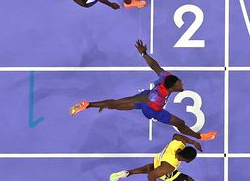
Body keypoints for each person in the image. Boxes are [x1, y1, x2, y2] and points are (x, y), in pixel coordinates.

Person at [69, 40, 217, 141]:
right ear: (172, 87)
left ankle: (88, 104)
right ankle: (200, 137)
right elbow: (132, 100)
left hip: (145, 96)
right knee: (180, 123)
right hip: (152, 109)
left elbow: (155, 66)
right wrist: (113, 104)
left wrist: (143, 53)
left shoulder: (167, 76)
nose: (182, 83)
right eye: (179, 84)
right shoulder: (156, 97)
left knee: (114, 104)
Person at [109, 133, 224, 181]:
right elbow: (151, 176)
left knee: (151, 167)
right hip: (165, 171)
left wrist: (194, 142)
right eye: (189, 161)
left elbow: (176, 135)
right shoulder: (169, 167)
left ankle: (127, 173)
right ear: (186, 160)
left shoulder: (178, 144)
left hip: (158, 159)